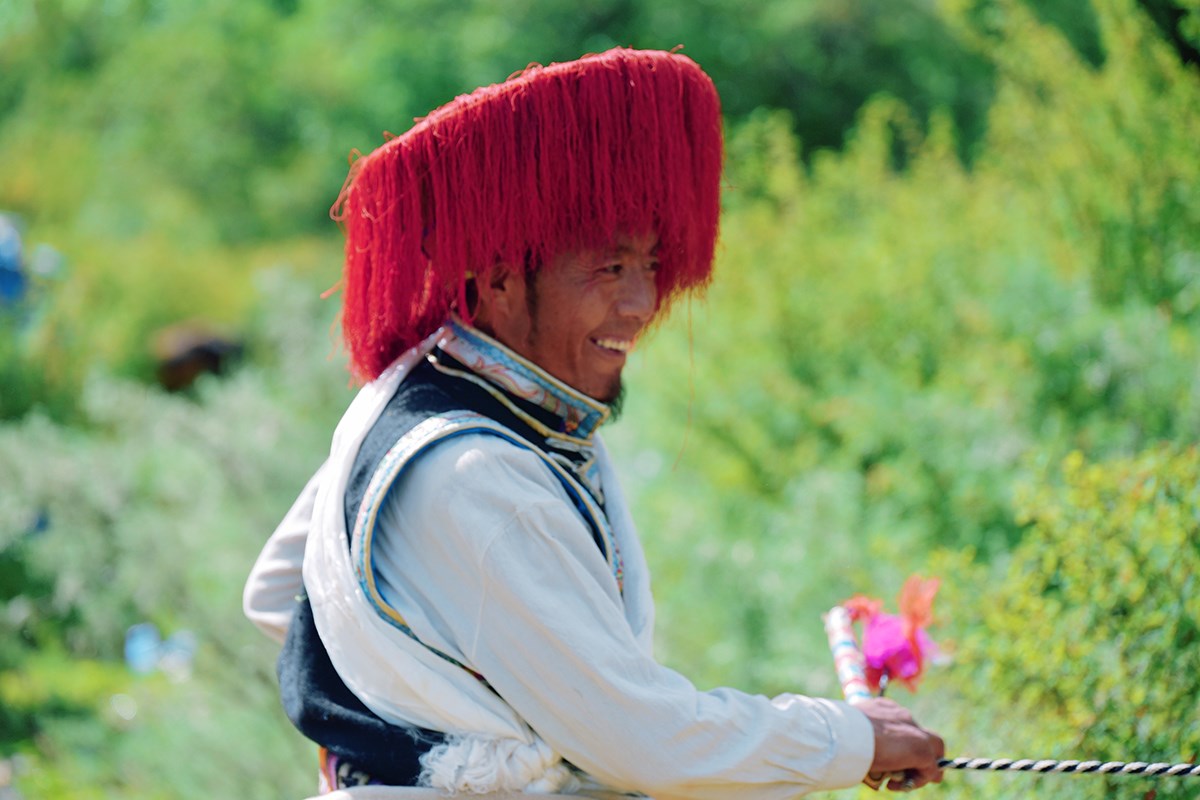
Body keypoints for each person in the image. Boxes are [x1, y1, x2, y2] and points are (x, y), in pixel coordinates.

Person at [243, 48, 944, 799]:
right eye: (609, 268)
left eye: (650, 264)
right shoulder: (477, 474)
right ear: (503, 274)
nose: (642, 304)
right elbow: (648, 743)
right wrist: (847, 739)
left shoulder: (407, 400)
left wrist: (430, 700)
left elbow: (277, 589)